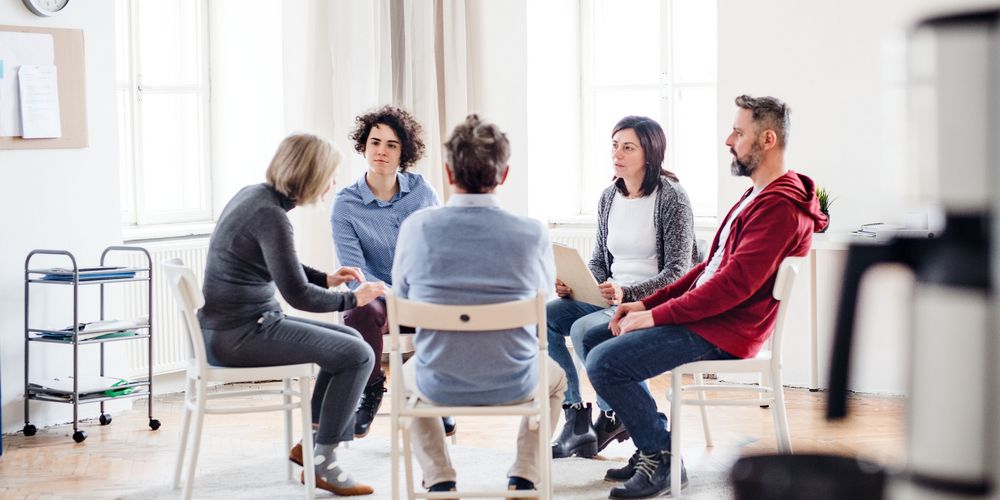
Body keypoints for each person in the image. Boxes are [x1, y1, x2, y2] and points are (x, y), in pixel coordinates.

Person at [583, 95, 828, 499]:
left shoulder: (779, 208)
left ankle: (661, 459)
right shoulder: (758, 195)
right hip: (710, 318)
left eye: (738, 132)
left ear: (767, 139)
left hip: (726, 330)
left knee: (605, 362)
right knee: (596, 337)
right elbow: (707, 269)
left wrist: (658, 317)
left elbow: (732, 287)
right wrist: (647, 303)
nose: (728, 140)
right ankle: (652, 439)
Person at [198, 133, 387, 496]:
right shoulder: (271, 214)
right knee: (360, 354)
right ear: (311, 175)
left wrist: (327, 278)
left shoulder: (255, 197)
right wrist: (353, 300)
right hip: (241, 335)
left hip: (233, 328)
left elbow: (281, 264)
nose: (332, 184)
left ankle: (313, 442)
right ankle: (325, 463)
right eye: (329, 176)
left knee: (351, 341)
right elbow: (297, 294)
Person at [392, 114, 567, 494]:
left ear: (448, 172)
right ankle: (525, 472)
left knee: (402, 379)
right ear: (503, 176)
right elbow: (543, 299)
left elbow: (402, 299)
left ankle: (438, 475)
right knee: (558, 380)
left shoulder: (416, 228)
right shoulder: (532, 232)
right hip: (515, 380)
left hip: (437, 381)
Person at [547, 116, 696, 459]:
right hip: (611, 296)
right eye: (614, 145)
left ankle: (615, 414)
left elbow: (679, 272)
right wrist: (578, 283)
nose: (618, 153)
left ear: (650, 153)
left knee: (585, 330)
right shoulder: (608, 197)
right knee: (544, 317)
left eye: (628, 147)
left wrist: (628, 294)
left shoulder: (671, 197)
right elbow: (601, 260)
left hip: (648, 302)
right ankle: (577, 417)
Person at [330, 105, 452, 438]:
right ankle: (371, 390)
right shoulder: (345, 204)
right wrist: (387, 291)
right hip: (376, 296)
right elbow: (354, 272)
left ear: (404, 153)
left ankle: (433, 393)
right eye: (375, 142)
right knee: (358, 308)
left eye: (391, 145)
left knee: (444, 302)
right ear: (364, 146)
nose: (381, 151)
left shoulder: (423, 192)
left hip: (419, 294)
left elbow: (437, 253)